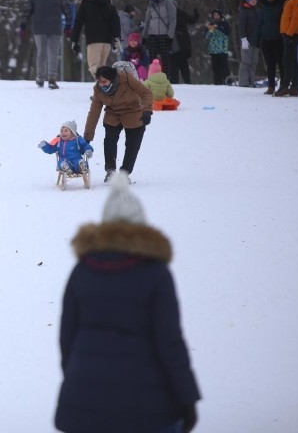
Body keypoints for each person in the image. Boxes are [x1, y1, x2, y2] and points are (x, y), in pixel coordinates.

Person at [55, 171, 201, 433]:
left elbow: (68, 337)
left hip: (86, 398)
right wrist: (187, 396)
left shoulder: (83, 271)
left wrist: (78, 378)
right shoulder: (156, 273)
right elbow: (169, 341)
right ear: (141, 226)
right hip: (149, 404)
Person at [84, 65, 153, 183]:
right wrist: (87, 136)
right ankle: (110, 171)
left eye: (104, 81)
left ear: (112, 78)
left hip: (133, 112)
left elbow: (146, 93)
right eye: (99, 82)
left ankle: (125, 173)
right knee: (109, 140)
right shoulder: (98, 89)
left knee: (132, 144)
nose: (101, 84)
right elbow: (94, 112)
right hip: (113, 113)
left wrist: (147, 110)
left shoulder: (126, 78)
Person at [19, 0, 72, 88]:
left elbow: (27, 12)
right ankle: (52, 77)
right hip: (55, 27)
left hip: (39, 27)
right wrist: (68, 25)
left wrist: (23, 26)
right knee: (53, 52)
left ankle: (40, 78)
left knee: (41, 53)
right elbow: (67, 10)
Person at [70, 0, 121, 79]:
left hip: (93, 40)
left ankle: (104, 86)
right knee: (102, 66)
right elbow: (116, 23)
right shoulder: (110, 6)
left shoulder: (85, 6)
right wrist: (116, 38)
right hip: (107, 41)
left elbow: (78, 23)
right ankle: (103, 87)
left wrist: (74, 41)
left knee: (94, 67)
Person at [142, 0, 176, 76]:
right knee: (152, 58)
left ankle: (167, 78)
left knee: (165, 58)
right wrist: (144, 36)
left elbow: (173, 20)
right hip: (152, 34)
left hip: (164, 34)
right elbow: (147, 20)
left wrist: (170, 36)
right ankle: (153, 78)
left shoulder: (167, 2)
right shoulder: (150, 4)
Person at [256, 0, 285, 95]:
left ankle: (283, 85)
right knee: (270, 64)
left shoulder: (280, 7)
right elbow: (260, 24)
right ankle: (271, 86)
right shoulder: (263, 8)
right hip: (265, 39)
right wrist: (257, 38)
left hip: (277, 38)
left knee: (281, 63)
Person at [169, 5, 199, 84]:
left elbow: (192, 20)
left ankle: (186, 84)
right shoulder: (166, 14)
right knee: (176, 69)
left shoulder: (179, 13)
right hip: (173, 46)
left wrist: (196, 14)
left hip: (181, 46)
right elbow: (192, 20)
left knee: (183, 67)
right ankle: (177, 84)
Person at [237, 0, 260, 87]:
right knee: (246, 62)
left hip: (256, 41)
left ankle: (251, 81)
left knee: (253, 62)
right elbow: (241, 26)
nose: (253, 0)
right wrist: (243, 38)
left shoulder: (257, 11)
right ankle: (244, 82)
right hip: (247, 41)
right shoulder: (244, 11)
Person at [203, 9, 230, 86]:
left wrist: (218, 27)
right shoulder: (210, 25)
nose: (216, 17)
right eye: (214, 15)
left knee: (224, 68)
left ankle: (227, 82)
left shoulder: (224, 24)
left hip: (222, 50)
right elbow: (207, 36)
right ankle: (217, 83)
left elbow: (227, 33)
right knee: (215, 69)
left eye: (217, 15)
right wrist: (211, 29)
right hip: (213, 51)